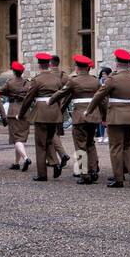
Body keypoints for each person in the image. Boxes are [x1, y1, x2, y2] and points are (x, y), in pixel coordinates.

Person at [87, 49, 130, 186]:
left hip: (114, 116)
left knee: (115, 147)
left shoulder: (112, 79)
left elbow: (99, 96)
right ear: (129, 64)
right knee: (128, 145)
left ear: (117, 63)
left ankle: (117, 178)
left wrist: (90, 110)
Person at [51, 54, 104, 184]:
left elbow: (63, 95)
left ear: (77, 67)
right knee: (90, 143)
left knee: (80, 146)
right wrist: (104, 116)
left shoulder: (73, 80)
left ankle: (84, 174)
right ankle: (94, 169)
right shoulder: (95, 81)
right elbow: (102, 100)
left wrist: (51, 101)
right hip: (93, 116)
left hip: (79, 117)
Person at [18, 52, 67, 180]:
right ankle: (55, 164)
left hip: (41, 113)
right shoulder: (57, 79)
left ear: (39, 65)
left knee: (40, 144)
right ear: (49, 65)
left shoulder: (37, 80)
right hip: (54, 113)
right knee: (50, 140)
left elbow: (28, 99)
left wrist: (21, 114)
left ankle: (42, 174)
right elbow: (61, 95)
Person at [0, 61, 32, 171]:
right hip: (25, 111)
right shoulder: (28, 83)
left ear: (13, 71)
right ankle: (16, 163)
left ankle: (26, 158)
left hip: (13, 112)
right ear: (22, 72)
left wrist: (9, 93)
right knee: (20, 138)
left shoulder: (10, 83)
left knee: (16, 139)